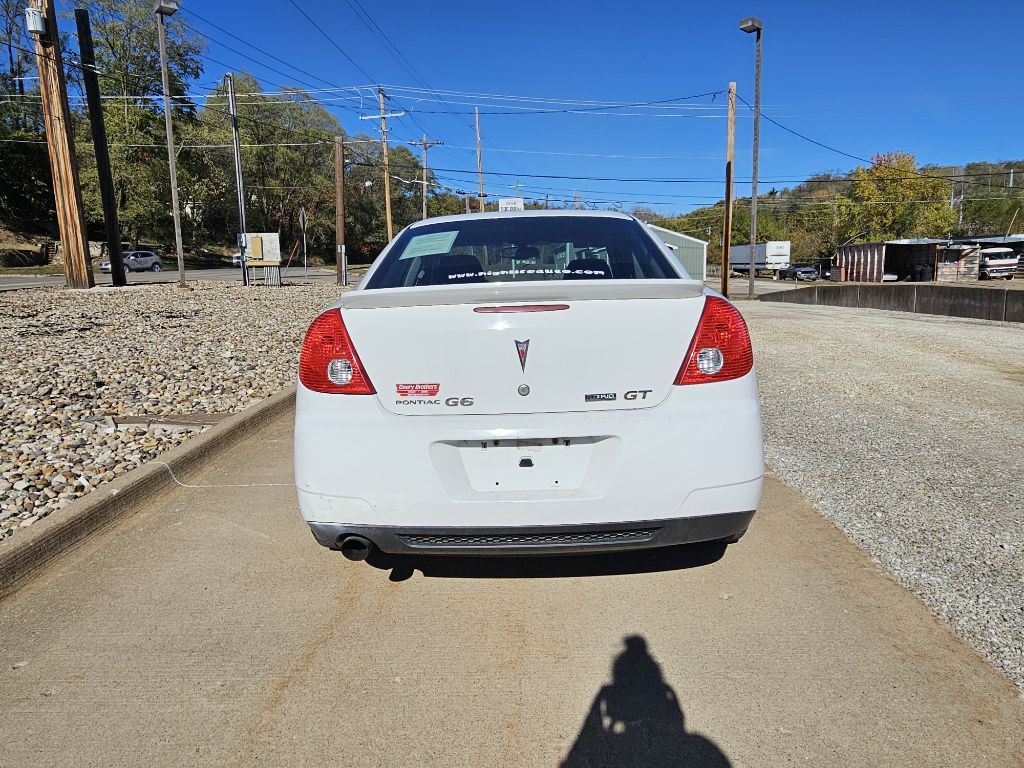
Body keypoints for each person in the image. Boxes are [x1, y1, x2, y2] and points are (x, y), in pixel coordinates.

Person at [561, 636, 730, 768]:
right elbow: (678, 715)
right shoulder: (699, 748)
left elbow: (583, 740)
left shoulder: (611, 749)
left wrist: (598, 704)